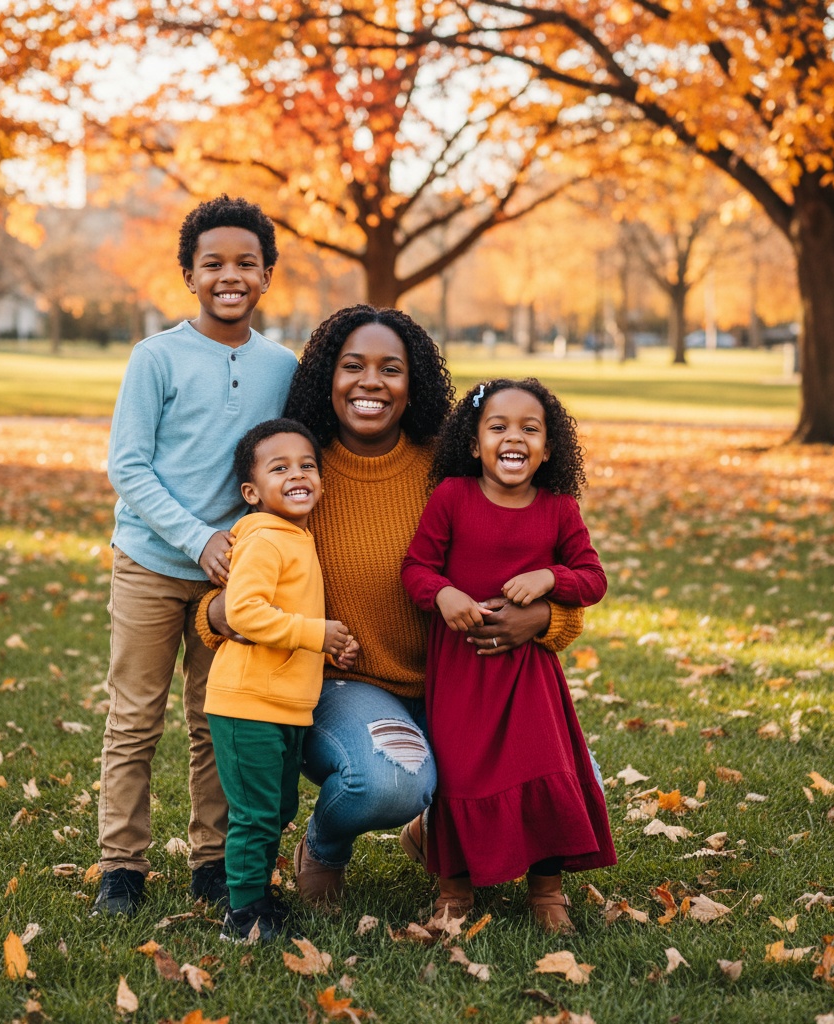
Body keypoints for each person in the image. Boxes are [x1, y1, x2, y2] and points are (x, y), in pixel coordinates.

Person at [197, 306, 585, 908]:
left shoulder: (454, 468)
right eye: (352, 366)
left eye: (391, 369)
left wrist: (548, 620)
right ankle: (324, 846)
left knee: (576, 777)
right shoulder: (297, 471)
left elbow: (549, 571)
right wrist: (220, 617)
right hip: (344, 686)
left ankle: (431, 831)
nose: (370, 382)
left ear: (416, 382)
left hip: (465, 684)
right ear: (327, 377)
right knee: (391, 780)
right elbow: (231, 594)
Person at [93, 195, 298, 918]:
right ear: (189, 274)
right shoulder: (157, 357)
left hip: (237, 579)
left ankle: (213, 860)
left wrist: (244, 547)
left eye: (246, 263)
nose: (230, 275)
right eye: (213, 263)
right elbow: (129, 466)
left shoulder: (283, 366)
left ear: (268, 275)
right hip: (152, 561)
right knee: (135, 717)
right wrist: (198, 538)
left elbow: (285, 465)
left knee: (219, 719)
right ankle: (121, 866)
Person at [401, 378, 616, 932]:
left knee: (543, 769)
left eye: (530, 428)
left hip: (528, 674)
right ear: (474, 444)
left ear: (548, 448)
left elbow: (593, 578)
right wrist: (442, 593)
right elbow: (416, 569)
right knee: (460, 774)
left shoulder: (558, 509)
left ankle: (547, 894)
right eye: (497, 427)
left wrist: (551, 576)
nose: (513, 438)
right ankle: (454, 891)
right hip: (462, 668)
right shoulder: (452, 496)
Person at [204, 418, 359, 942]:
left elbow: (295, 616)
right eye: (280, 468)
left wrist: (333, 644)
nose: (298, 475)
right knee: (255, 815)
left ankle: (256, 894)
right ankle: (243, 913)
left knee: (278, 808)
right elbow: (243, 612)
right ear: (251, 492)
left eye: (307, 465)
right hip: (248, 702)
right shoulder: (266, 540)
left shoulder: (297, 537)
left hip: (285, 704)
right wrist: (317, 633)